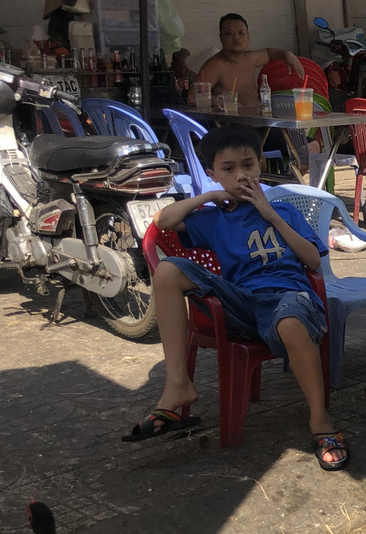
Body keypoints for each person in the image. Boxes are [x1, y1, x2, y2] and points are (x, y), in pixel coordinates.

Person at [123, 125, 348, 471]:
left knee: (290, 322)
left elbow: (313, 261)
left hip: (290, 298)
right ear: (213, 173)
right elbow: (162, 221)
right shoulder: (214, 219)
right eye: (228, 169)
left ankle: (320, 420)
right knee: (167, 271)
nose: (241, 175)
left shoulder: (285, 211)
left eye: (248, 165)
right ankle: (178, 384)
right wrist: (210, 196)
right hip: (241, 303)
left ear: (260, 165)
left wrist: (270, 214)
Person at [193, 13, 302, 109]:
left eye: (241, 33)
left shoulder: (251, 58)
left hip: (260, 115)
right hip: (233, 121)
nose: (236, 37)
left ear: (248, 37)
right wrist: (223, 102)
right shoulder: (216, 65)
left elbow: (269, 53)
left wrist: (287, 54)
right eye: (229, 34)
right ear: (221, 37)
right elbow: (193, 97)